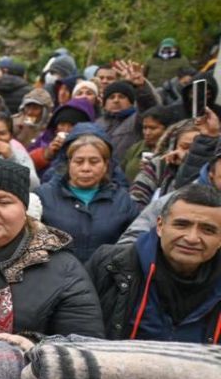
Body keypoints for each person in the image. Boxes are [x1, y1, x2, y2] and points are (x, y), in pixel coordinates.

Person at [0, 158, 104, 338]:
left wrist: (35, 347)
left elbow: (85, 346)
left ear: (24, 210)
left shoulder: (63, 269)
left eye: (4, 202)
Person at [90, 184, 221, 343]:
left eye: (208, 230)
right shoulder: (111, 265)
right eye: (181, 225)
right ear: (160, 226)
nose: (192, 238)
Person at [37, 131, 139, 263]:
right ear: (69, 164)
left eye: (94, 162)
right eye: (79, 162)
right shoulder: (43, 196)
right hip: (56, 278)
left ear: (105, 165)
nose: (86, 168)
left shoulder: (123, 201)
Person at [129, 119, 200, 208]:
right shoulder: (160, 165)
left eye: (197, 148)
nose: (189, 153)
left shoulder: (213, 170)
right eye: (185, 147)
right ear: (173, 146)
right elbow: (137, 197)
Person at [30, 97, 95, 175]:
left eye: (72, 125)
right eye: (62, 124)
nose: (66, 129)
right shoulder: (45, 140)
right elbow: (26, 164)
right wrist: (47, 154)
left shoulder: (92, 146)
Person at [122, 105, 178, 183]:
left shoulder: (174, 150)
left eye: (153, 128)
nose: (147, 133)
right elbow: (121, 174)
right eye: (145, 128)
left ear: (168, 129)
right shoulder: (136, 148)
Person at [95, 80, 142, 159]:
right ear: (104, 104)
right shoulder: (97, 123)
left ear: (131, 102)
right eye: (111, 97)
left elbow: (149, 106)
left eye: (121, 97)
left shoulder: (137, 120)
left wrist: (141, 87)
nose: (116, 100)